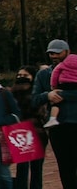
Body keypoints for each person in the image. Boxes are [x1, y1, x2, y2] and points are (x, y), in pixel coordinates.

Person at [32, 40, 76, 189]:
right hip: (59, 127)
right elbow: (34, 99)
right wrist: (47, 95)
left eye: (58, 52)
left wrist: (64, 94)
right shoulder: (44, 74)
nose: (54, 56)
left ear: (67, 52)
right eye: (51, 53)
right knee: (65, 167)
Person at [10, 72, 44, 189]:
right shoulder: (36, 93)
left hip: (21, 130)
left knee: (26, 166)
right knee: (33, 167)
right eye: (19, 74)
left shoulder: (12, 93)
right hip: (30, 129)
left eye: (25, 74)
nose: (21, 77)